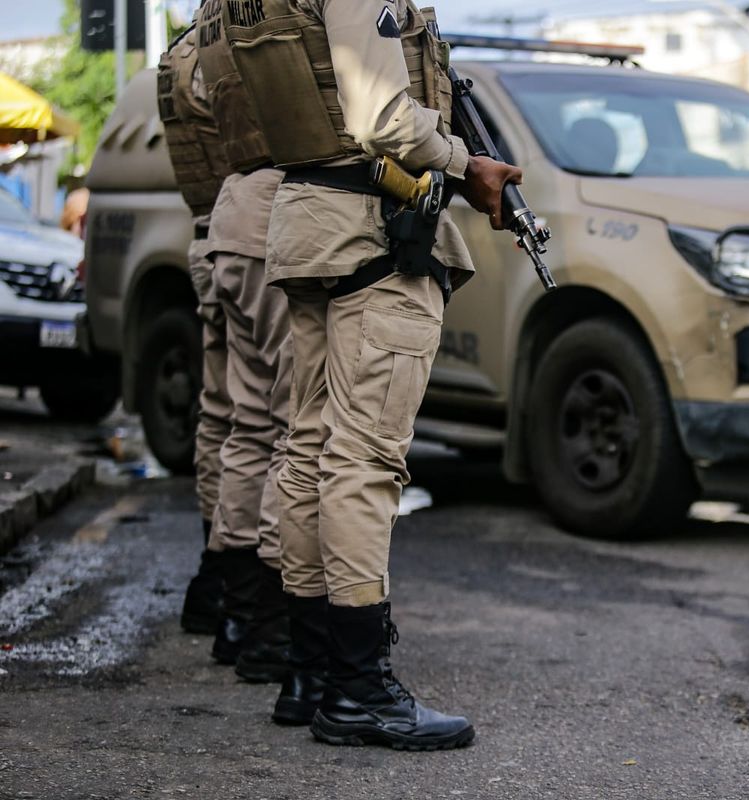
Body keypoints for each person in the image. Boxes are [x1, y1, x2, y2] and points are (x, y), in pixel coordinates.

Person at [223, 0, 520, 750]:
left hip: (310, 216)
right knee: (362, 461)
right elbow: (383, 119)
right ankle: (359, 690)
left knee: (309, 447)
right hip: (374, 227)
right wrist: (464, 162)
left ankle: (312, 674)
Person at [194, 0, 293, 685]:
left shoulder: (213, 16)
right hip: (281, 214)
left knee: (248, 422)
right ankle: (269, 627)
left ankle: (238, 613)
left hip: (228, 214)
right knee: (296, 427)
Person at [156, 26, 234, 638]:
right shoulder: (226, 43)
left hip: (209, 232)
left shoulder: (179, 50)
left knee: (222, 414)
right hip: (240, 236)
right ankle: (232, 580)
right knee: (259, 422)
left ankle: (217, 576)